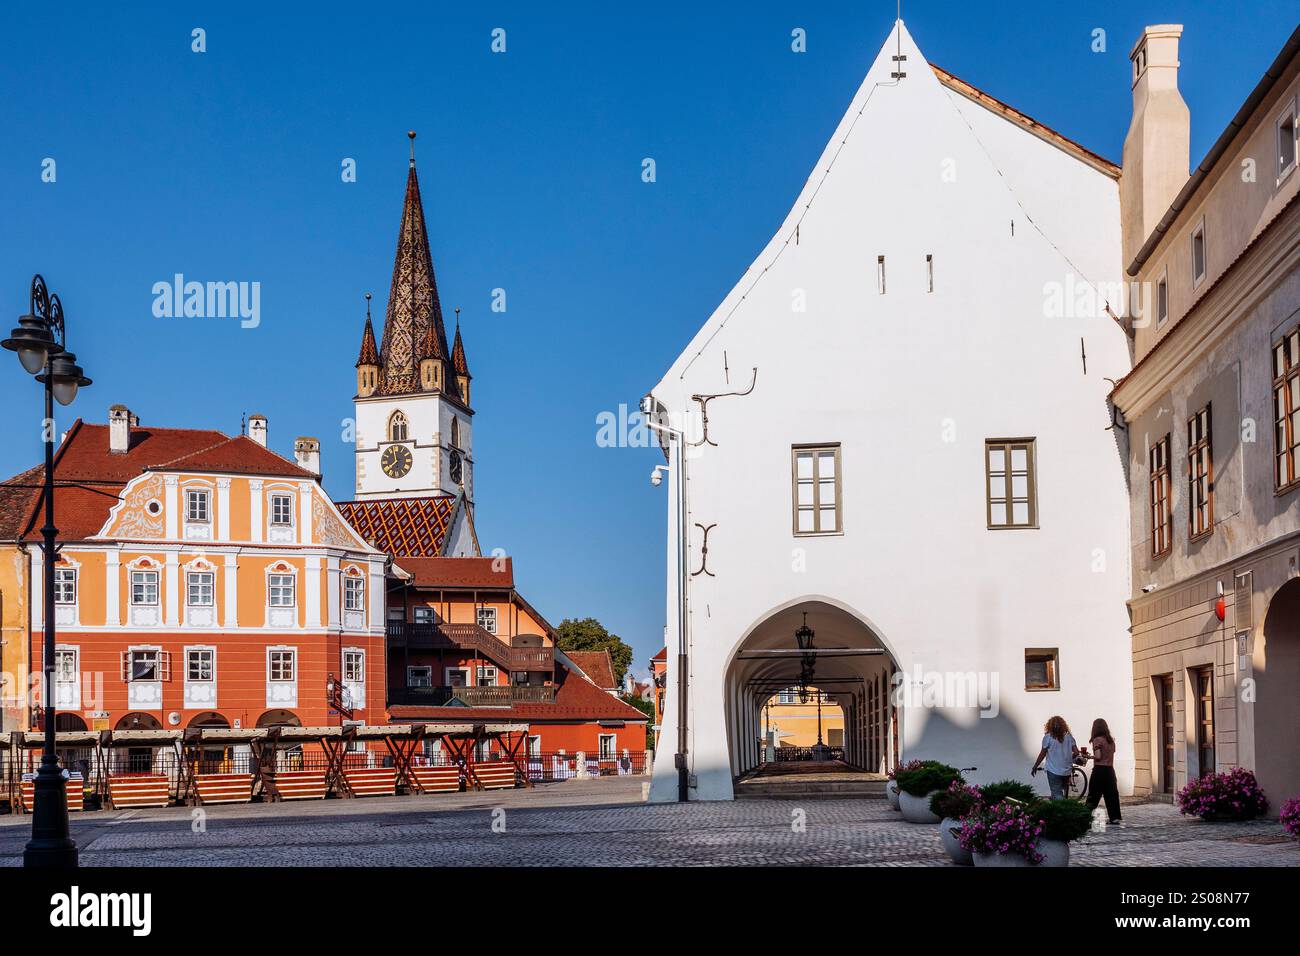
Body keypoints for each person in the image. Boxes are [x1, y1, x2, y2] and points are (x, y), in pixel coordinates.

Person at [1030, 715, 1078, 799]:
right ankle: (1055, 805)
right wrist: (1069, 758)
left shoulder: (1048, 737)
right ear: (1063, 725)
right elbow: (1076, 752)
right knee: (1057, 792)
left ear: (1049, 726)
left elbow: (1042, 754)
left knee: (1057, 794)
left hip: (1053, 771)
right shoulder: (1069, 737)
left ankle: (1063, 810)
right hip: (1066, 771)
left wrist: (1035, 766)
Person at [1086, 717, 1122, 824]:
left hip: (1099, 770)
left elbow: (1098, 756)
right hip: (1110, 770)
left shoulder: (1097, 740)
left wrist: (1088, 757)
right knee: (1111, 794)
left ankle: (1085, 816)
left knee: (1093, 795)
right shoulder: (1111, 741)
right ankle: (1114, 817)